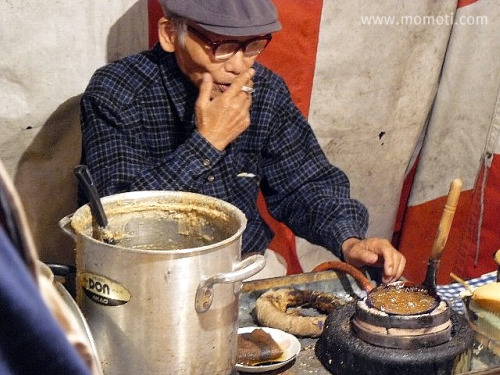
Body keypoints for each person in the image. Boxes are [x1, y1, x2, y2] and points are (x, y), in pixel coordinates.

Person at [79, 0, 406, 283]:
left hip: (245, 265)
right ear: (169, 34)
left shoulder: (264, 90)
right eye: (221, 45)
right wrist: (207, 144)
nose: (239, 66)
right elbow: (113, 221)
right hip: (147, 274)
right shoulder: (117, 92)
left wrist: (348, 241)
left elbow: (304, 183)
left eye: (252, 45)